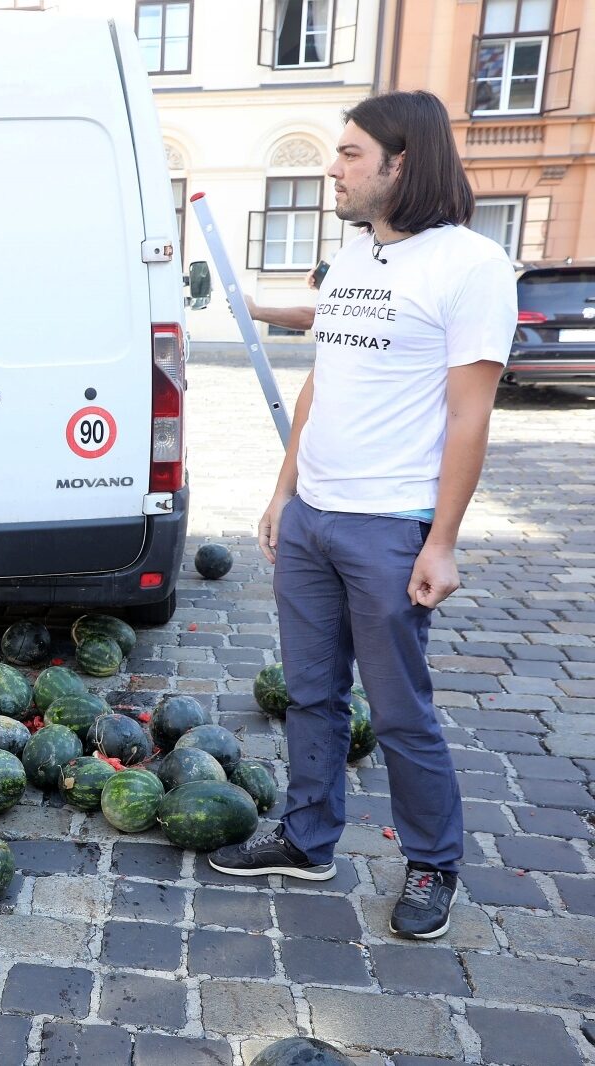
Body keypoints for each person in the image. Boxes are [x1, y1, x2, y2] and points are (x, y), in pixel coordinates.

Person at [208, 91, 516, 940]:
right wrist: (281, 494)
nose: (331, 168)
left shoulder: (470, 267)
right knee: (310, 694)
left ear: (401, 161)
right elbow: (321, 383)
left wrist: (443, 540)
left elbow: (469, 415)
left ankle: (432, 864)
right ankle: (308, 839)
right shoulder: (352, 261)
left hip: (390, 526)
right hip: (313, 515)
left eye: (348, 154)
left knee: (398, 707)